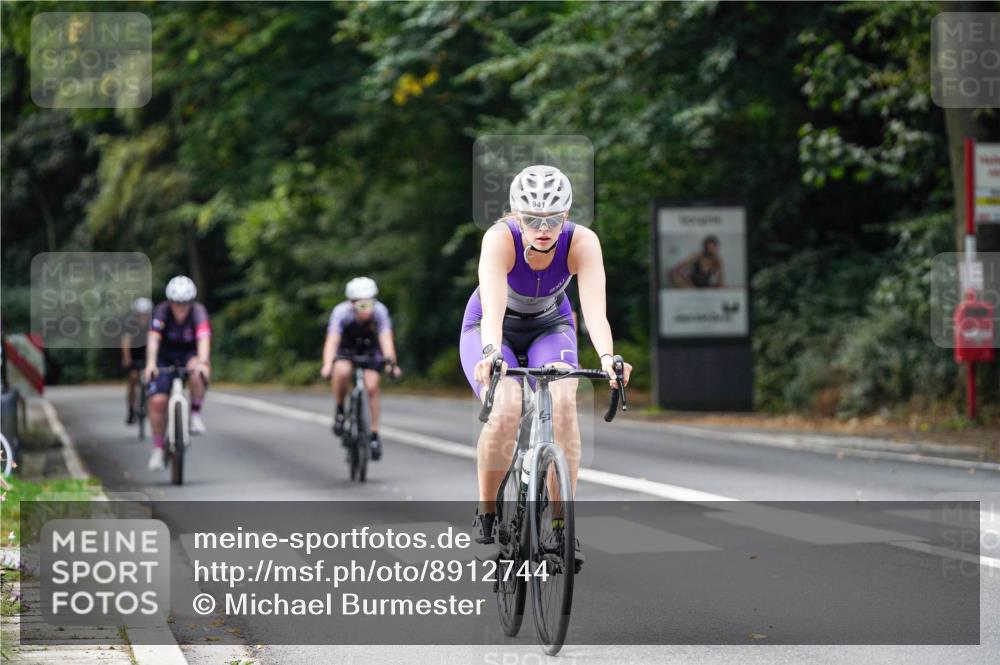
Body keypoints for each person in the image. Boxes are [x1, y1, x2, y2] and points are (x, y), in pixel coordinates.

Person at [460, 164, 632, 566]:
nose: (543, 227)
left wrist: (609, 359)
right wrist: (491, 354)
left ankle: (560, 528)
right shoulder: (499, 240)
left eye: (553, 218)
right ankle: (486, 514)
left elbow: (595, 313)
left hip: (551, 326)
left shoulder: (582, 243)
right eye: (533, 218)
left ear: (567, 216)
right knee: (506, 408)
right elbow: (494, 311)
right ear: (517, 215)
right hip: (491, 327)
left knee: (566, 402)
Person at [320, 277, 402, 461]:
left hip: (370, 348)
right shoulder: (341, 312)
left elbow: (386, 339)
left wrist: (392, 365)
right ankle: (340, 410)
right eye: (360, 304)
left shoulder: (380, 311)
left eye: (369, 302)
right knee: (342, 371)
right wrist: (327, 365)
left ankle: (373, 435)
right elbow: (332, 341)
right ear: (352, 303)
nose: (366, 307)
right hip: (346, 348)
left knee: (372, 385)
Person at [143, 276, 212, 471]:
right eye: (177, 303)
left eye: (185, 304)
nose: (181, 308)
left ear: (191, 302)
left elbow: (204, 338)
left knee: (199, 372)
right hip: (164, 356)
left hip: (189, 353)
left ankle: (195, 413)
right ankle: (157, 448)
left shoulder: (199, 312)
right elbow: (154, 339)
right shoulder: (162, 311)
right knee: (157, 401)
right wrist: (150, 364)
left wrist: (203, 362)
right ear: (170, 302)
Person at [121, 297, 152, 424]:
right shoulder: (131, 324)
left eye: (145, 315)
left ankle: (150, 406)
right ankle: (130, 409)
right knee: (133, 378)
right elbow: (126, 342)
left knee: (151, 379)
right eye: (141, 315)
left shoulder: (153, 324)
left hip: (148, 355)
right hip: (134, 355)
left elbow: (155, 342)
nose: (143, 318)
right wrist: (127, 358)